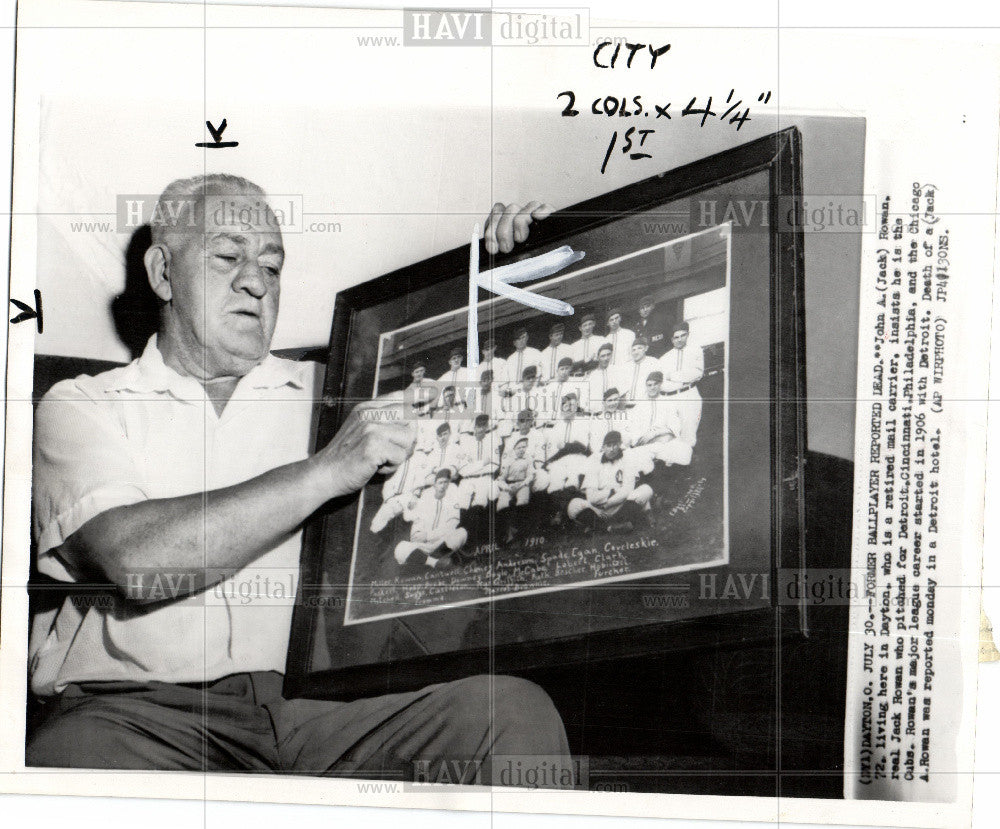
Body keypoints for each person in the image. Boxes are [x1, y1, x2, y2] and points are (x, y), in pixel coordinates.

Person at [28, 174, 569, 779]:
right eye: (228, 256)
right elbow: (136, 561)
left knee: (510, 717)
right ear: (162, 273)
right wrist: (327, 470)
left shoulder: (335, 391)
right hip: (142, 721)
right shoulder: (83, 403)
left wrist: (500, 272)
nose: (256, 282)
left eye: (273, 266)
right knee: (69, 760)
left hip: (320, 718)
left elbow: (461, 391)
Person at [567, 431, 653, 531]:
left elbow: (628, 490)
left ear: (620, 445)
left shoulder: (627, 460)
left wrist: (608, 503)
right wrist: (611, 492)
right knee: (573, 505)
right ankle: (611, 528)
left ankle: (610, 525)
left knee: (646, 489)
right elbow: (591, 497)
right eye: (608, 445)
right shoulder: (594, 461)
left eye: (615, 445)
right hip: (599, 509)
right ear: (603, 447)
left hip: (621, 506)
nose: (612, 449)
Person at [394, 470, 468, 568]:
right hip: (422, 545)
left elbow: (451, 526)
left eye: (446, 482)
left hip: (441, 543)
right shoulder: (425, 498)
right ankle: (435, 562)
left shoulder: (452, 499)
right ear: (435, 484)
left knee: (462, 533)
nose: (443, 486)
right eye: (440, 482)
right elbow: (409, 518)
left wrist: (428, 536)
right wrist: (409, 507)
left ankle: (435, 558)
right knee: (400, 549)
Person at [658, 320, 704, 446]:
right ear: (672, 340)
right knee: (671, 436)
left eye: (683, 336)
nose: (679, 340)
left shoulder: (695, 350)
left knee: (688, 436)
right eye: (676, 337)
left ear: (688, 335)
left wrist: (671, 375)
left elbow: (696, 373)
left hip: (688, 395)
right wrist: (682, 376)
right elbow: (661, 381)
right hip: (670, 399)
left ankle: (687, 463)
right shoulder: (665, 358)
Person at [613, 335, 659, 401]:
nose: (636, 352)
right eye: (633, 350)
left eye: (639, 348)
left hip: (645, 402)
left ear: (646, 348)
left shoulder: (653, 362)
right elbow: (620, 387)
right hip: (627, 404)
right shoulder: (626, 366)